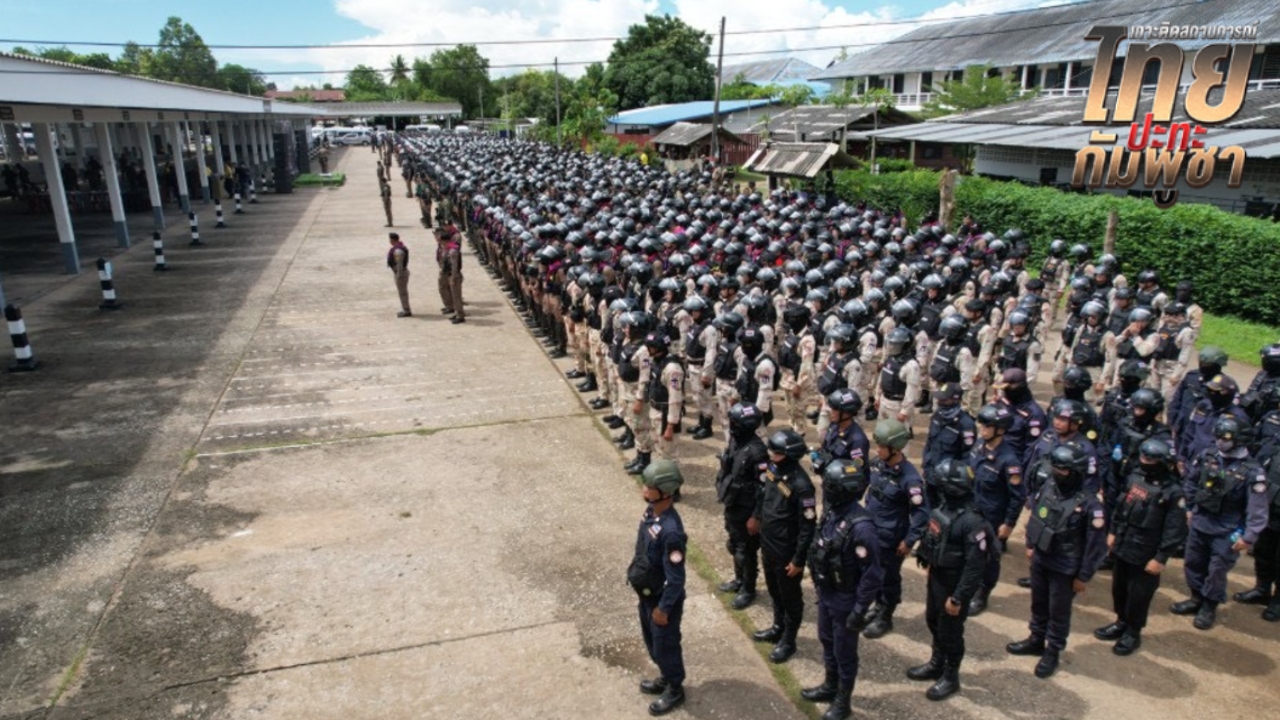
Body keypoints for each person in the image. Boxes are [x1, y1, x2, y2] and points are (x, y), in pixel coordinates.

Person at [1007, 444, 1107, 679]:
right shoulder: (1049, 487)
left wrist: (1083, 576)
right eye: (1055, 468)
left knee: (1058, 611)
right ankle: (1035, 639)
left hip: (1065, 567)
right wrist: (1031, 544)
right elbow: (1037, 516)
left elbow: (1096, 546)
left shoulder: (1090, 505)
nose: (1056, 473)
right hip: (1042, 557)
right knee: (1038, 602)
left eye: (1062, 470)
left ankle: (1052, 650)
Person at [801, 459, 883, 720]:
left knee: (845, 652)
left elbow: (872, 575)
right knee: (827, 640)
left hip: (846, 599)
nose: (825, 489)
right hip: (827, 593)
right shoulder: (832, 511)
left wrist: (860, 610)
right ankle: (830, 685)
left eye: (829, 486)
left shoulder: (862, 528)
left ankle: (843, 701)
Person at [1171, 415, 1269, 630]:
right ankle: (1196, 597)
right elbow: (1191, 483)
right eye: (1218, 437)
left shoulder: (1252, 471)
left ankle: (1209, 605)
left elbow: (1258, 509)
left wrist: (1249, 536)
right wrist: (1189, 509)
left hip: (1228, 529)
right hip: (1201, 521)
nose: (1221, 442)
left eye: (1226, 438)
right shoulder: (1207, 456)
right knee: (1193, 563)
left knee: (1216, 570)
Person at [908, 458, 994, 701]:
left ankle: (951, 676)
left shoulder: (972, 522)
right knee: (933, 620)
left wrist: (958, 598)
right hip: (938, 575)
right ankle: (936, 663)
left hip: (955, 584)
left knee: (951, 633)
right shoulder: (946, 508)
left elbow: (975, 566)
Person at [1095, 438, 1186, 655]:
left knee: (1139, 595)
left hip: (1147, 552)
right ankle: (1120, 621)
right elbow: (1120, 506)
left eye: (1150, 459)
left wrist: (1161, 558)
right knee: (1119, 589)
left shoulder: (1173, 492)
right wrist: (1112, 532)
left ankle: (1133, 632)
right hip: (1124, 543)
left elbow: (1175, 529)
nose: (1144, 462)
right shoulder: (1135, 477)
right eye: (1143, 457)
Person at [751, 429, 817, 664]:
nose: (770, 454)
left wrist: (799, 560)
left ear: (788, 455)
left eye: (775, 452)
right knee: (774, 591)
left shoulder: (802, 486)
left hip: (786, 551)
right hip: (768, 544)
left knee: (790, 598)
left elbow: (808, 526)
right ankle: (777, 626)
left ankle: (789, 640)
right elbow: (764, 495)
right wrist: (756, 516)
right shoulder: (773, 469)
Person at [862, 418, 929, 639]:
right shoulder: (877, 464)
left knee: (888, 578)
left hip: (892, 539)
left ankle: (886, 616)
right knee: (873, 574)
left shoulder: (910, 479)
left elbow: (920, 513)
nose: (878, 450)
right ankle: (878, 607)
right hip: (873, 532)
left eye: (882, 447)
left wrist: (909, 541)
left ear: (895, 448)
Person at [630, 460, 688, 716]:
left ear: (665, 490)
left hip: (663, 599)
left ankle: (675, 687)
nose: (644, 489)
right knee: (653, 643)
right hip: (647, 593)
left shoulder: (671, 532)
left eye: (650, 486)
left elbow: (676, 579)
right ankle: (665, 676)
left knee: (665, 645)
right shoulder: (652, 513)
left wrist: (664, 609)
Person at [968, 403, 1025, 615]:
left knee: (989, 558)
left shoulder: (1009, 461)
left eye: (987, 426)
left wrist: (1009, 524)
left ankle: (983, 592)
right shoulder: (977, 448)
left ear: (1000, 429)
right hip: (973, 511)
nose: (982, 429)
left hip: (992, 517)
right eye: (981, 424)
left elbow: (1017, 496)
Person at [716, 403, 768, 610]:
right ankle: (739, 580)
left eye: (735, 422)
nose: (731, 425)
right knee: (734, 544)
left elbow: (763, 487)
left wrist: (756, 517)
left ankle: (749, 589)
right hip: (733, 503)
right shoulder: (736, 442)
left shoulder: (757, 452)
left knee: (745, 551)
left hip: (747, 509)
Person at [640, 332, 684, 468]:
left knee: (669, 454)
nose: (648, 349)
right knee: (659, 451)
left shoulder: (672, 369)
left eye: (651, 347)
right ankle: (662, 484)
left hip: (665, 416)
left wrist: (670, 426)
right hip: (655, 412)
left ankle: (673, 488)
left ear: (659, 347)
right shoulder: (657, 361)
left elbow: (675, 398)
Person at [436, 227, 465, 323]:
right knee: (454, 295)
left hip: (454, 276)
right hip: (449, 275)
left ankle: (460, 315)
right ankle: (457, 313)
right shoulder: (447, 249)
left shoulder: (452, 251)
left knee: (456, 296)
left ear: (445, 240)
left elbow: (454, 266)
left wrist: (453, 277)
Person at [386, 233, 411, 318]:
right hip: (401, 272)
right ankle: (405, 308)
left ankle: (406, 310)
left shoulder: (398, 251)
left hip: (401, 273)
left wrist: (399, 275)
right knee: (402, 292)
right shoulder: (399, 248)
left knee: (402, 293)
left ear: (393, 240)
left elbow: (399, 264)